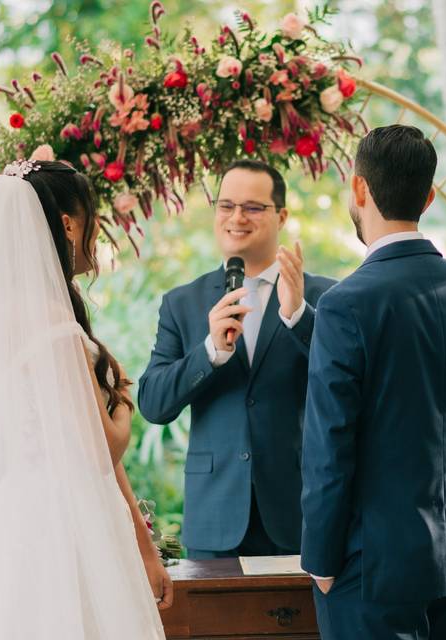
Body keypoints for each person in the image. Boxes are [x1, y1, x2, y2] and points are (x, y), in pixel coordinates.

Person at [0, 160, 169, 639]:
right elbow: (103, 449)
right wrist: (125, 400)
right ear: (69, 224)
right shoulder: (54, 326)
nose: (99, 233)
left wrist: (143, 543)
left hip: (9, 520)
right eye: (93, 218)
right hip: (61, 528)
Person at [300, 126, 446, 639]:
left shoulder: (345, 304)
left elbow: (330, 444)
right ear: (430, 196)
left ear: (359, 190)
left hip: (368, 567)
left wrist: (322, 562)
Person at [138, 160, 336, 559]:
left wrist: (299, 317)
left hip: (299, 515)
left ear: (281, 215)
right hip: (214, 519)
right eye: (226, 205)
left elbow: (349, 382)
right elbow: (153, 404)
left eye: (252, 207)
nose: (236, 217)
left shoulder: (324, 297)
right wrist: (210, 352)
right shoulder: (182, 303)